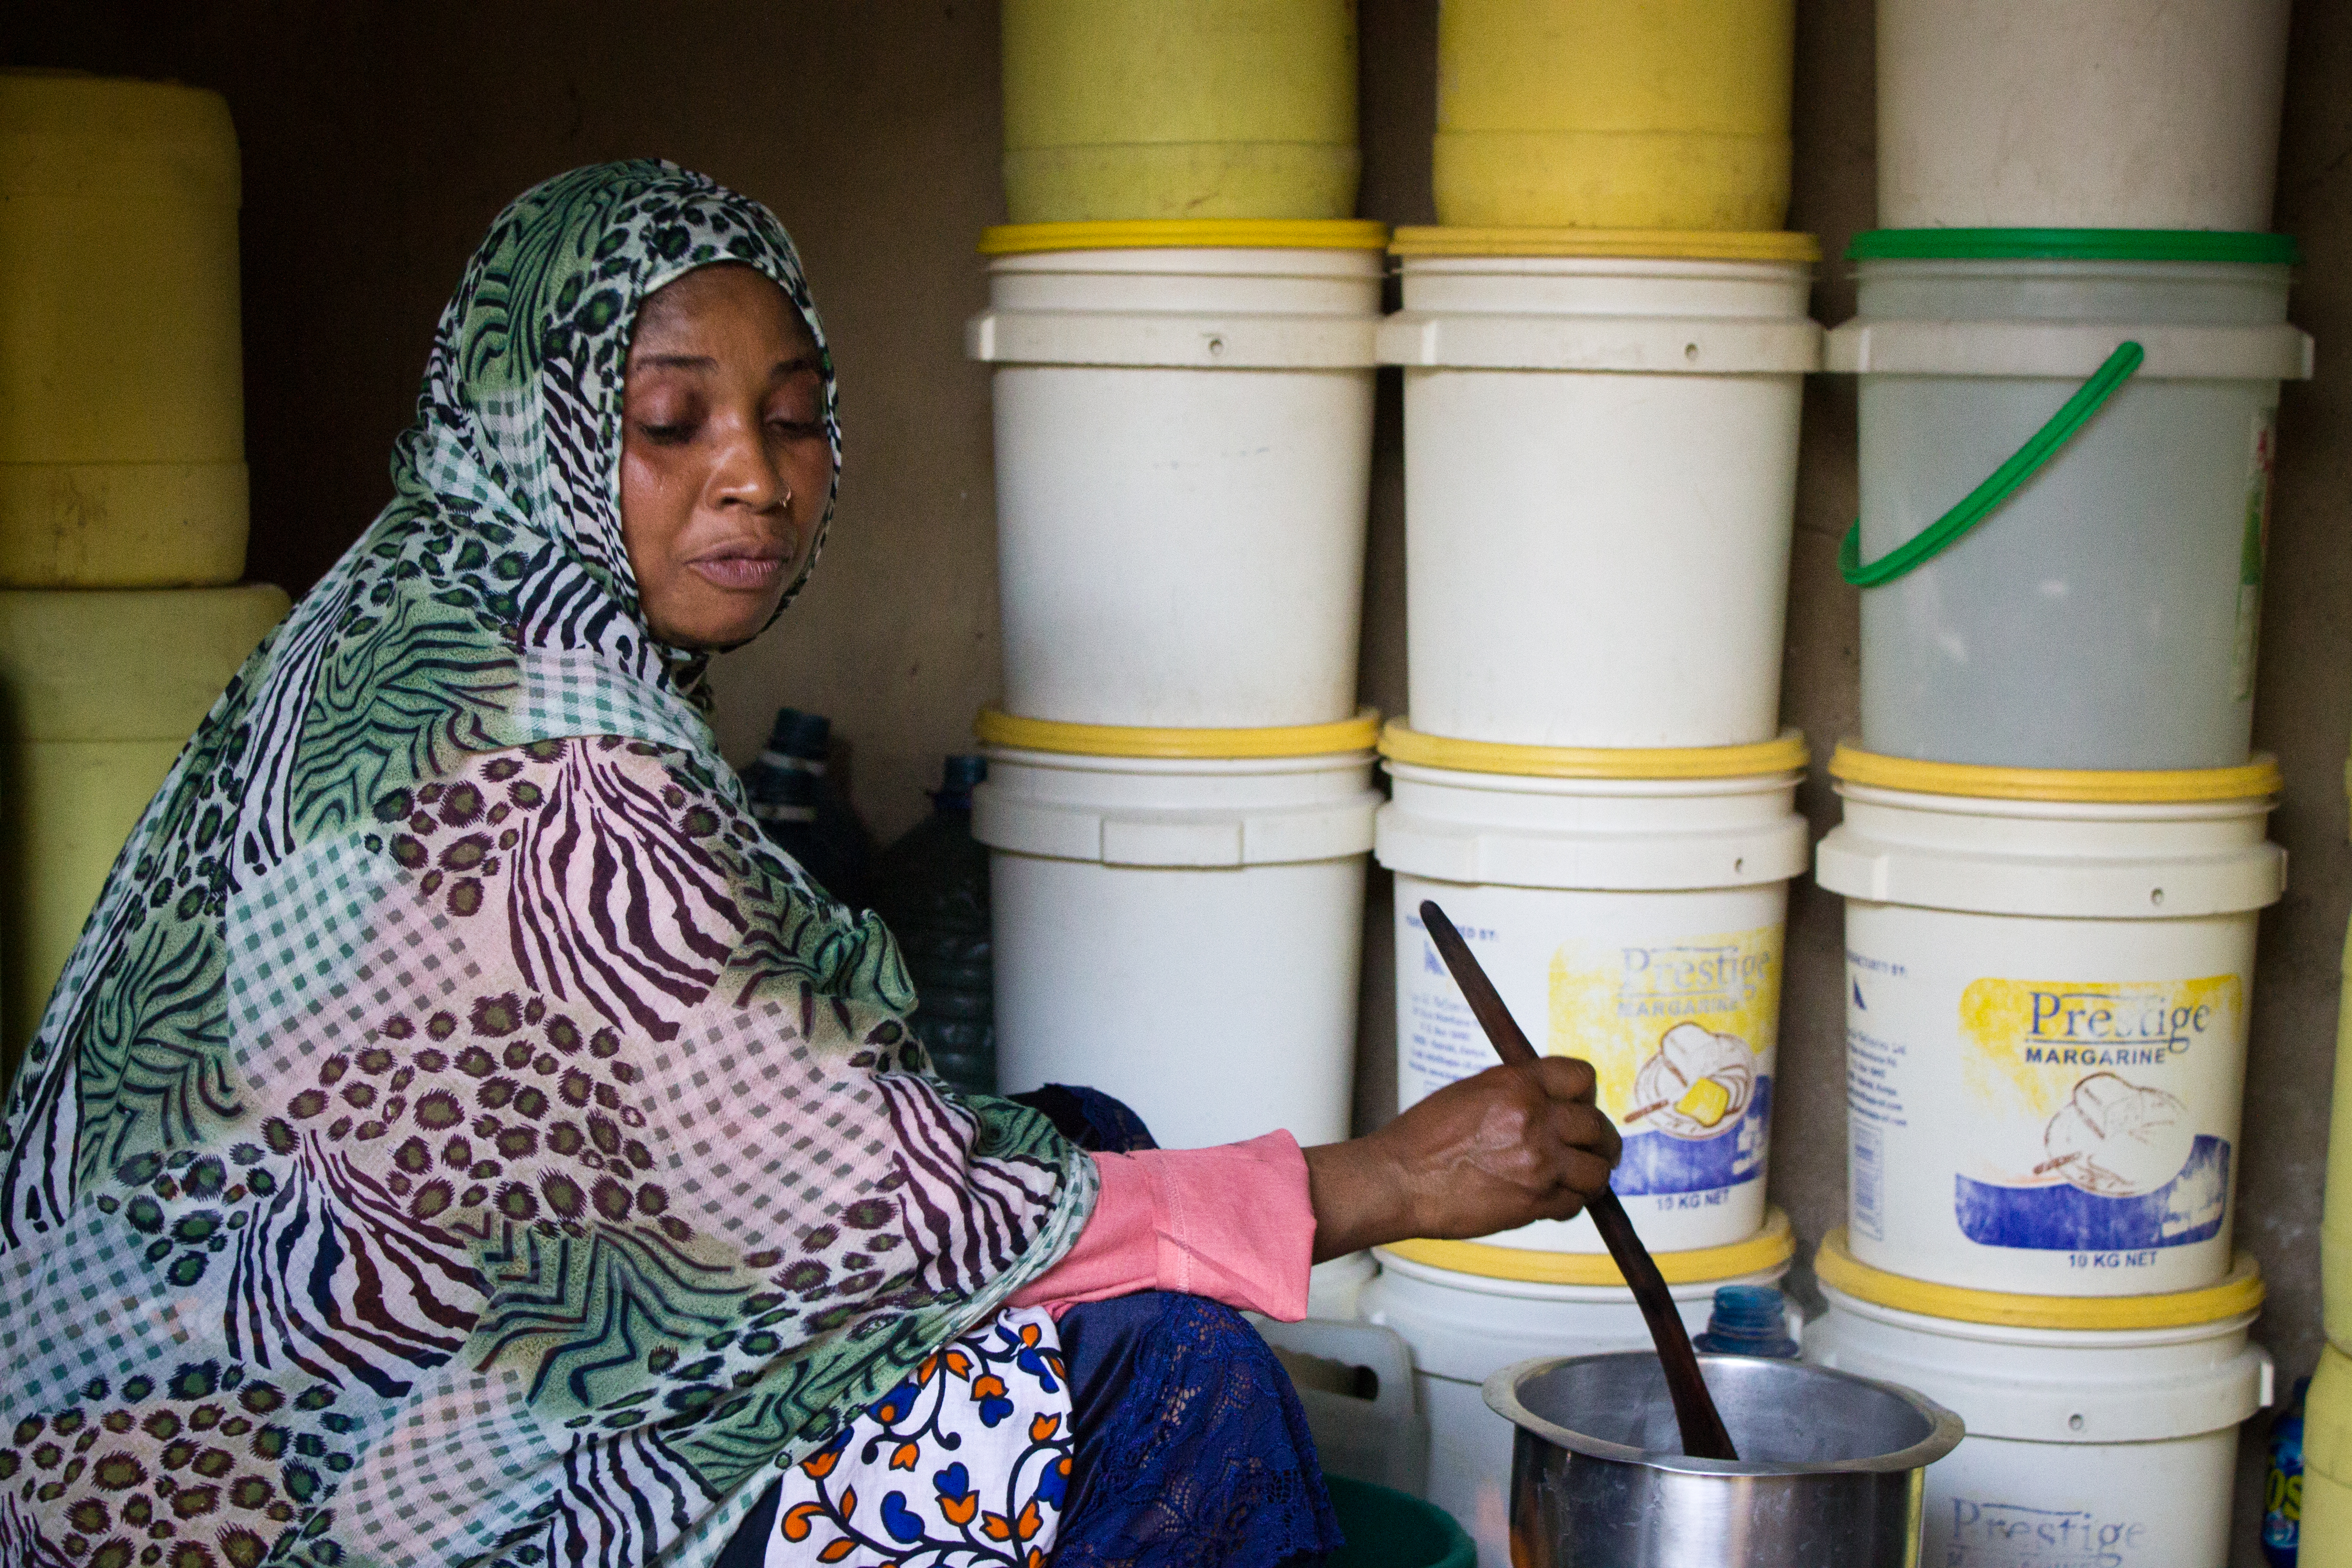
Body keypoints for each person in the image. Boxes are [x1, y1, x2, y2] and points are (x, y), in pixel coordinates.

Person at [0, 162, 1619, 1568]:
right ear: (543, 426)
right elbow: (908, 1215)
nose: (756, 477)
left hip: (335, 1382)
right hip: (309, 1492)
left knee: (1084, 1146)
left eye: (793, 419)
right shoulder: (562, 772)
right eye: (667, 422)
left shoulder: (431, 601)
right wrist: (1400, 1180)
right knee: (1162, 1378)